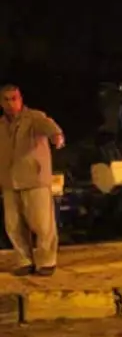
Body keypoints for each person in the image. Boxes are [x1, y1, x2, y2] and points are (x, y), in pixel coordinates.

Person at [0, 84, 66, 276]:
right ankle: (24, 260)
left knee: (42, 223)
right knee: (13, 225)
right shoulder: (1, 125)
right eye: (6, 99)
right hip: (9, 180)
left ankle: (46, 261)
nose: (11, 103)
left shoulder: (34, 117)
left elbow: (50, 127)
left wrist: (57, 137)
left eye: (14, 98)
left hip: (34, 178)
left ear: (21, 99)